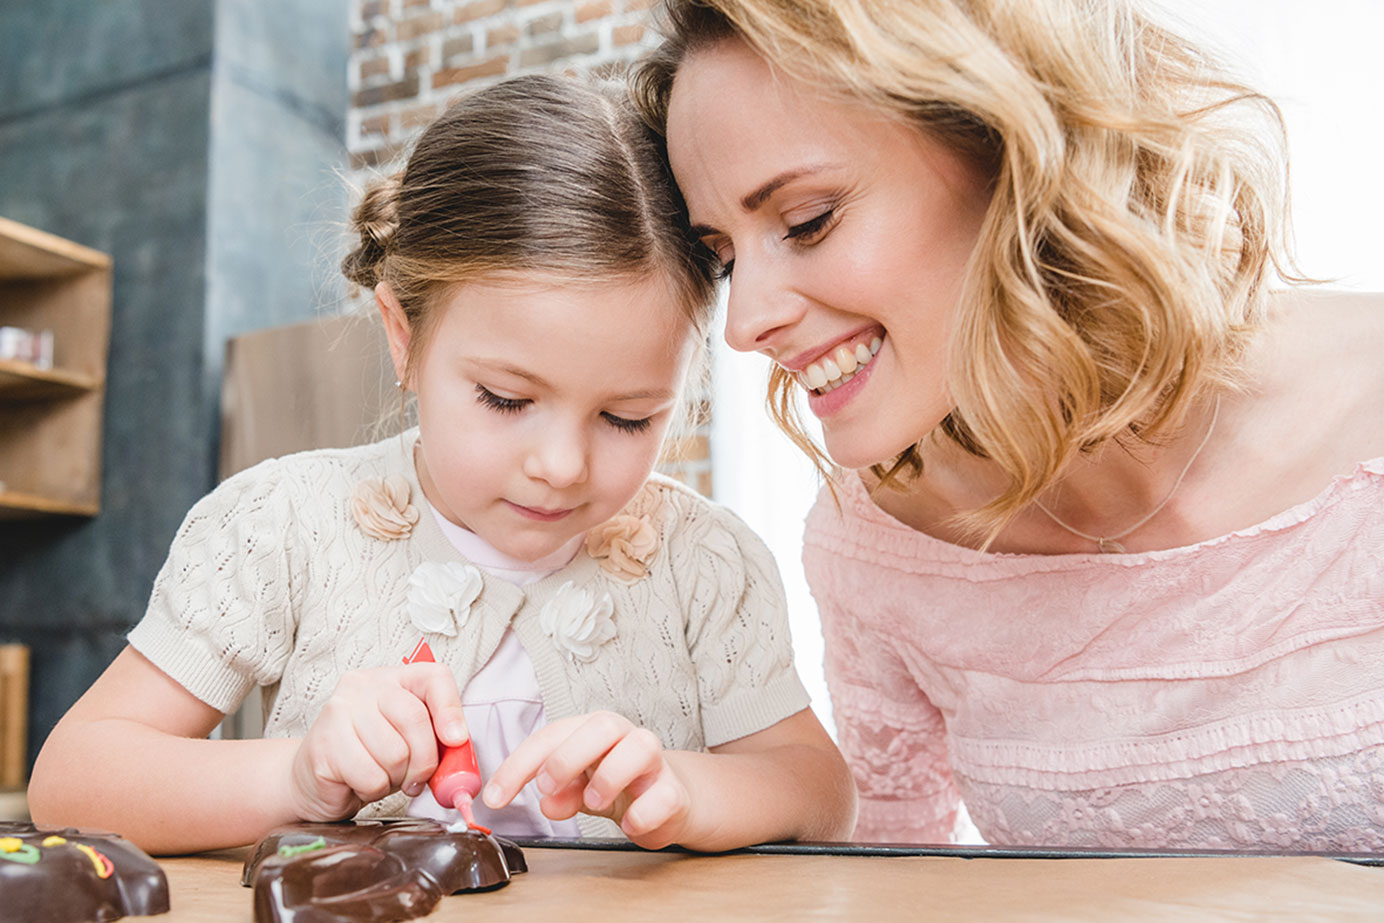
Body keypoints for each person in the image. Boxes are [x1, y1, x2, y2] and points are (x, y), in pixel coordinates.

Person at [28, 74, 855, 855]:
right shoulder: (286, 523)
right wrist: (292, 775)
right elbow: (76, 778)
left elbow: (820, 790)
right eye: (503, 398)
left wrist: (692, 788)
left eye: (627, 416)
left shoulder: (701, 561)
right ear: (404, 336)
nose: (563, 465)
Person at [632, 0, 1384, 851]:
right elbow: (893, 878)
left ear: (1014, 148)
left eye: (808, 221)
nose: (744, 324)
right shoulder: (877, 539)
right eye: (726, 257)